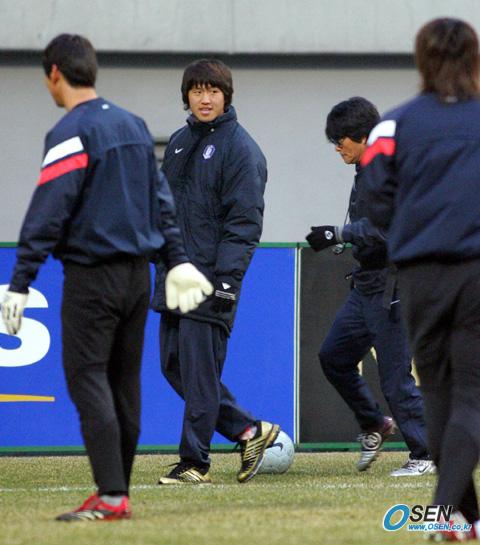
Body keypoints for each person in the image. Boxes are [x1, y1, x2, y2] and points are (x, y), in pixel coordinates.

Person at [1, 34, 212, 521]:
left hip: (92, 278)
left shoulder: (70, 131)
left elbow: (48, 212)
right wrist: (177, 258)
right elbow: (161, 200)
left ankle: (112, 495)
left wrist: (21, 281)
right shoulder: (133, 125)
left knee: (88, 378)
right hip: (138, 277)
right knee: (124, 383)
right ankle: (118, 493)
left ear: (55, 74)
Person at [361, 17, 480, 541]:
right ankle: (445, 510)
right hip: (476, 271)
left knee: (437, 393)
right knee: (473, 394)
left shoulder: (392, 125)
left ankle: (465, 520)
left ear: (421, 60)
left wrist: (415, 230)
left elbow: (374, 198)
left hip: (418, 273)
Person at [151, 59, 279, 485]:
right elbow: (164, 207)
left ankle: (195, 463)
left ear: (226, 96)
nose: (204, 99)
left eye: (213, 91)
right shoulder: (179, 142)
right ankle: (249, 431)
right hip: (174, 277)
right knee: (174, 367)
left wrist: (227, 281)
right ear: (186, 96)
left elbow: (244, 224)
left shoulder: (241, 149)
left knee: (200, 375)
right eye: (197, 90)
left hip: (210, 280)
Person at [305, 97, 433, 476]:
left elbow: (392, 231)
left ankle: (426, 454)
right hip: (366, 285)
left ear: (363, 136)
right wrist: (346, 238)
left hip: (393, 286)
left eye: (341, 140)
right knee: (334, 357)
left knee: (395, 379)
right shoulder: (365, 169)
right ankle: (375, 423)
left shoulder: (389, 171)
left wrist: (339, 232)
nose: (337, 147)